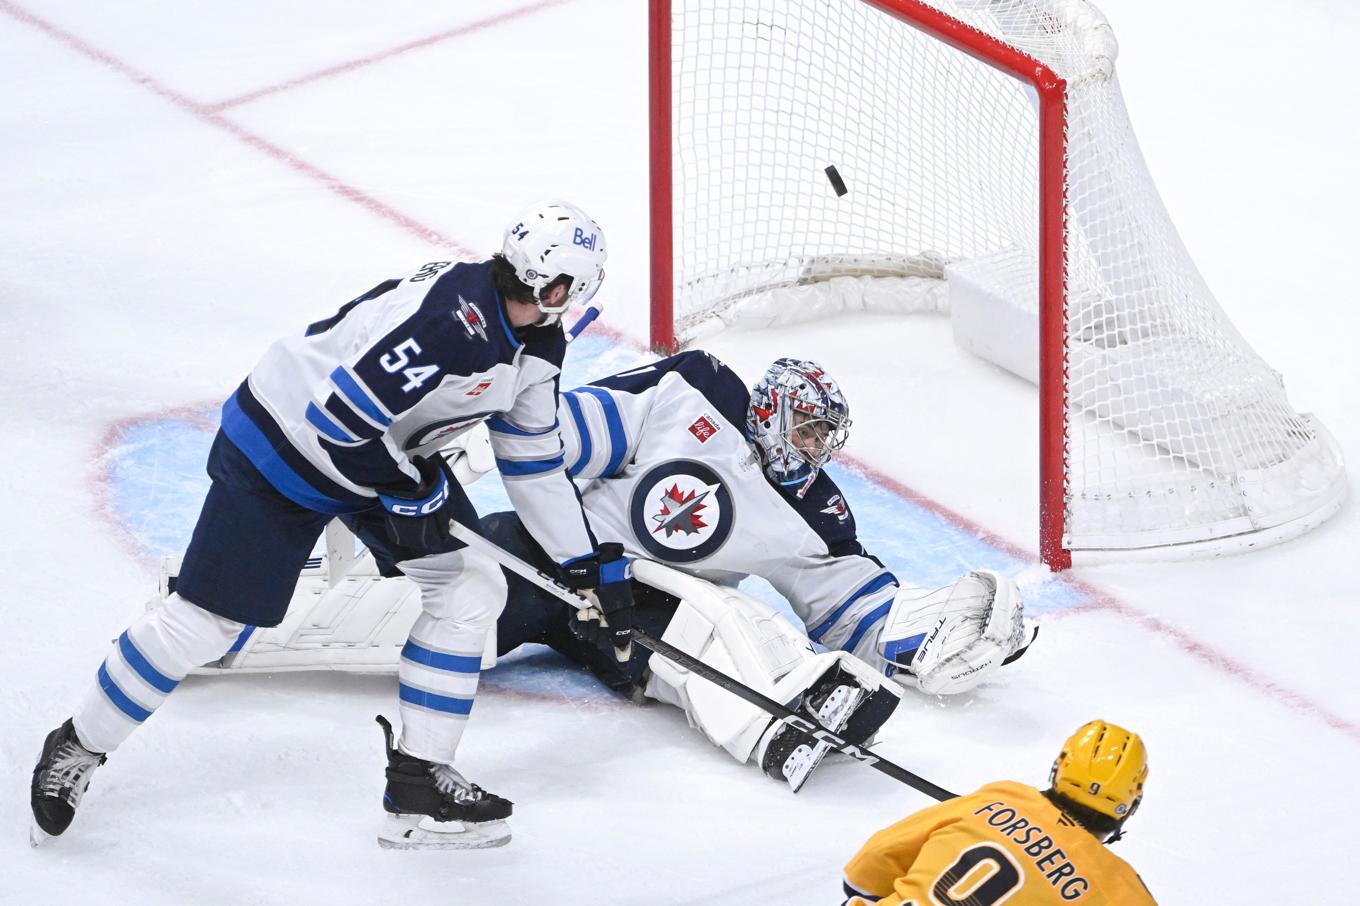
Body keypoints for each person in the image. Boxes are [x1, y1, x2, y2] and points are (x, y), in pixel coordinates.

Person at [29, 200, 632, 851]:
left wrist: (585, 565)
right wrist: (414, 494)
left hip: (385, 455)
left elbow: (534, 462)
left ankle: (418, 787)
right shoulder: (451, 320)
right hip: (286, 442)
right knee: (205, 624)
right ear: (566, 287)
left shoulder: (537, 345)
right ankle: (78, 745)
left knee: (470, 590)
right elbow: (337, 424)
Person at [219, 351, 1035, 791]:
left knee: (716, 629)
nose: (817, 449)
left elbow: (852, 607)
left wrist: (928, 637)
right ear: (775, 408)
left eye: (827, 437)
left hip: (633, 609)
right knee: (410, 613)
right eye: (810, 430)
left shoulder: (815, 517)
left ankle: (782, 723)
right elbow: (560, 439)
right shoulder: (696, 392)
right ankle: (224, 617)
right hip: (551, 552)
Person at [841, 720, 1157, 905]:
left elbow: (864, 873)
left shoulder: (1002, 797)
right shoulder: (1122, 890)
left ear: (1058, 768)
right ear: (1130, 805)